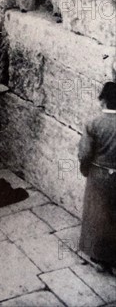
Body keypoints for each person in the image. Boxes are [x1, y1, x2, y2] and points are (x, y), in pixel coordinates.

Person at [78, 82, 116, 274]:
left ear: (103, 100)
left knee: (98, 216)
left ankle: (99, 258)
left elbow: (85, 153)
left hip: (99, 174)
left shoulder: (93, 123)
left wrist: (85, 170)